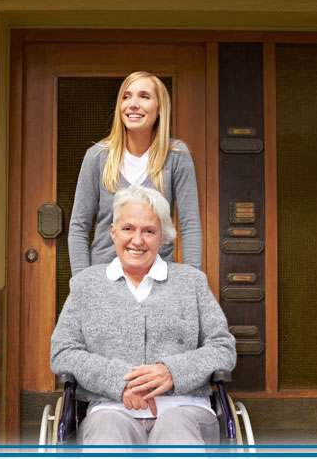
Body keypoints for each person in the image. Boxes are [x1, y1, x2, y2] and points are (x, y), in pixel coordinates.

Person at [51, 185, 236, 452]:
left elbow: (223, 348)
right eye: (128, 229)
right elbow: (63, 352)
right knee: (107, 443)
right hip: (111, 411)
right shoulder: (86, 286)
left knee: (176, 439)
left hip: (184, 409)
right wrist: (120, 383)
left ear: (163, 238)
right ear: (113, 232)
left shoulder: (191, 283)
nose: (137, 240)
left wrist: (172, 371)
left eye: (149, 231)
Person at [68, 71, 202, 277]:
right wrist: (81, 285)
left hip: (157, 281)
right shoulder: (97, 157)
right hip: (104, 281)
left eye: (144, 96)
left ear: (160, 108)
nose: (132, 104)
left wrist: (193, 286)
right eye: (126, 96)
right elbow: (79, 226)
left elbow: (190, 226)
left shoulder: (176, 156)